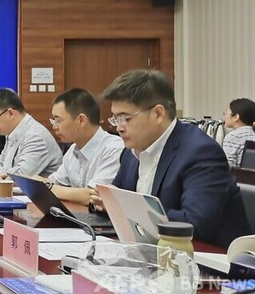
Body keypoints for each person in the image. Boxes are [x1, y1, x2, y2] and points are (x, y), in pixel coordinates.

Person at [97, 70, 250, 248]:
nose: (119, 128)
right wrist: (106, 201)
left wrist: (130, 209)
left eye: (125, 118)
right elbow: (118, 198)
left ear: (158, 114)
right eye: (115, 119)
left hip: (208, 257)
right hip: (150, 252)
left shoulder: (201, 152)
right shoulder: (131, 152)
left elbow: (194, 224)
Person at [34, 88, 123, 206]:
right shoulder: (73, 150)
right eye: (53, 121)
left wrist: (49, 187)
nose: (54, 127)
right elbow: (54, 182)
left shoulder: (113, 149)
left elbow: (95, 197)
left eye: (58, 120)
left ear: (81, 120)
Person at [0, 88, 62, 177]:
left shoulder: (35, 136)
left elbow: (21, 175)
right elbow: (2, 165)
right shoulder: (11, 133)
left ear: (11, 113)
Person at [222, 98, 255, 167]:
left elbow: (227, 167)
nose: (224, 116)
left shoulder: (233, 136)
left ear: (236, 117)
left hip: (240, 174)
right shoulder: (253, 134)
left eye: (226, 113)